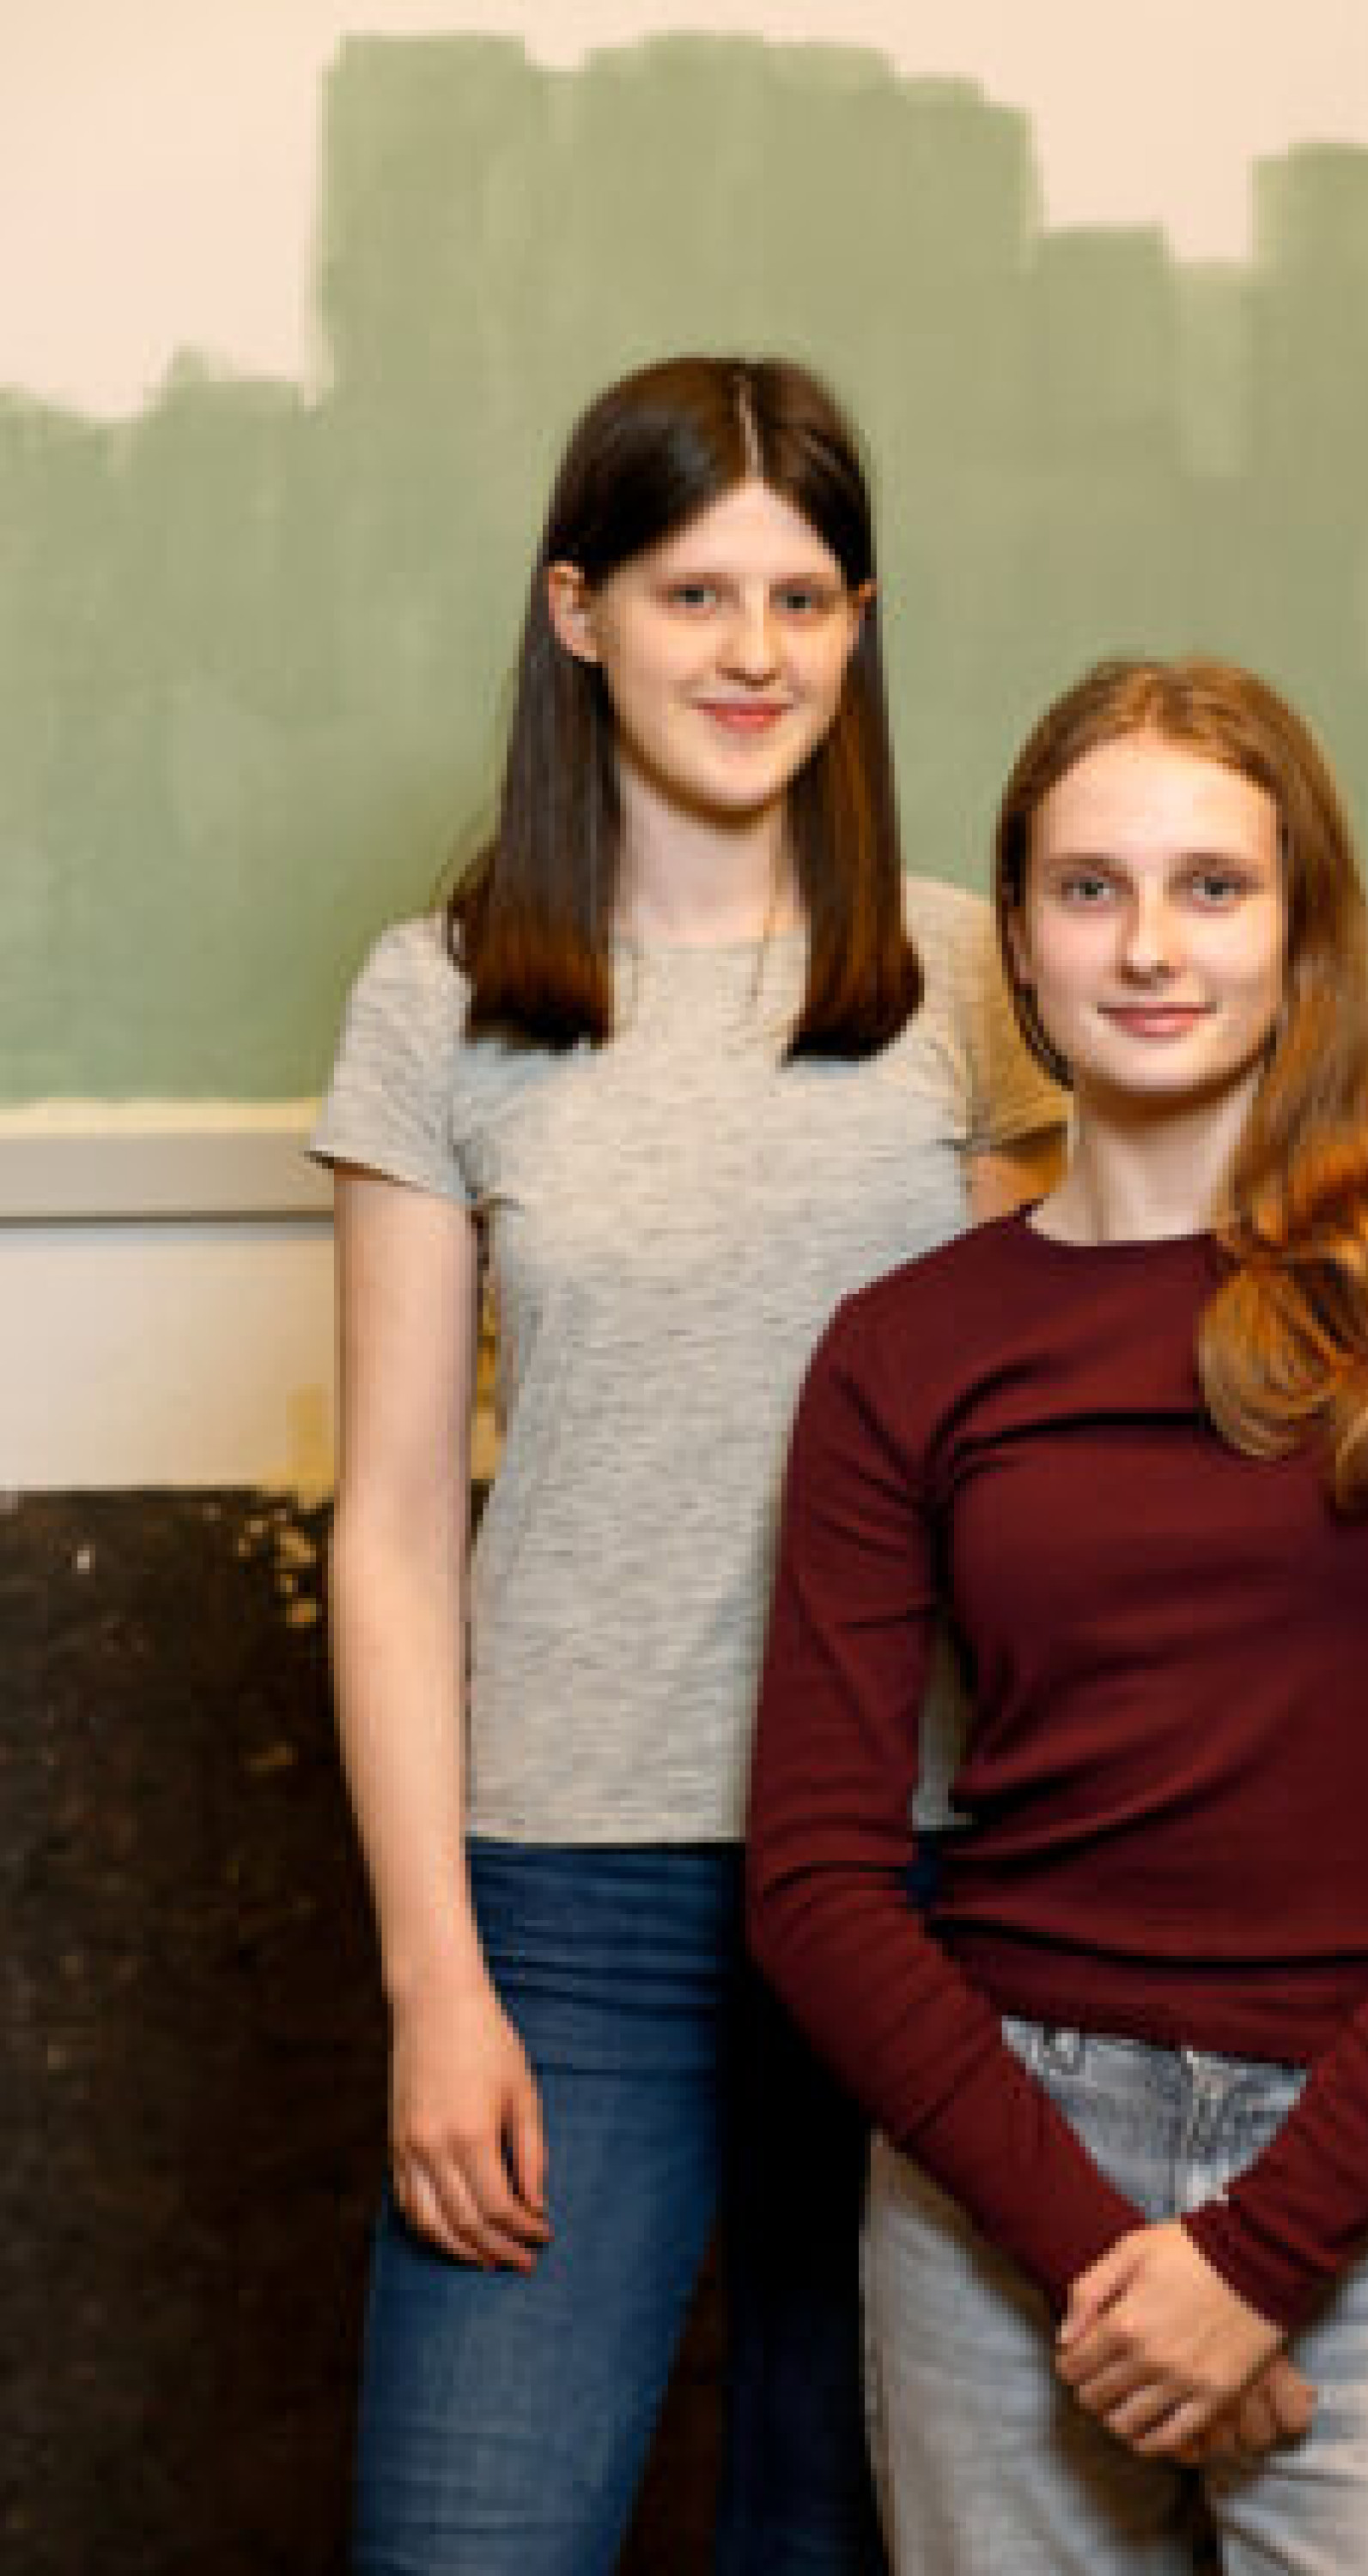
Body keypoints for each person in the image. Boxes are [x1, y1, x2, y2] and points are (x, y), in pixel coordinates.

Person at [747, 656, 1368, 2575]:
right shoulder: (902, 1350)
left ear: (1302, 923)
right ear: (1017, 939)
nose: (1150, 946)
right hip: (1001, 2191)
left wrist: (1264, 2254)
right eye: (1089, 888)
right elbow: (811, 1878)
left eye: (1213, 886)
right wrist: (1110, 2263)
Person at [312, 354, 1064, 2576]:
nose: (754, 654)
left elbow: (1052, 1470)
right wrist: (436, 1980)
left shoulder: (969, 977)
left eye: (808, 599)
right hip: (571, 1901)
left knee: (846, 2536)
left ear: (861, 624)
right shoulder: (439, 996)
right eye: (694, 592)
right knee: (468, 2544)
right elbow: (389, 1530)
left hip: (937, 1882)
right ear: (578, 611)